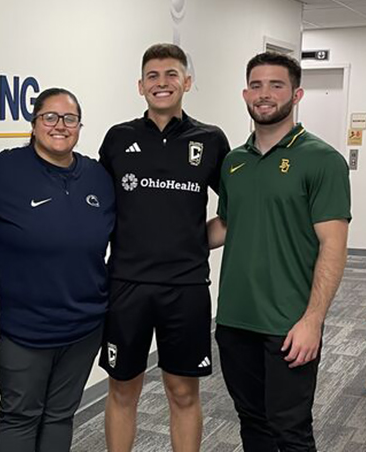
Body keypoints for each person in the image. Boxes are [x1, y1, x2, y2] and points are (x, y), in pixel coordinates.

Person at [208, 52, 351, 451]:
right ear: (245, 94)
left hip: (289, 325)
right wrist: (162, 241)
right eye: (256, 85)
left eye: (276, 85)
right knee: (252, 422)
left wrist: (313, 321)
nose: (264, 94)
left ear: (296, 94)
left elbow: (333, 247)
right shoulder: (234, 161)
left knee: (290, 431)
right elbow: (225, 225)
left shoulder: (322, 160)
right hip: (235, 321)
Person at [98, 43, 230, 452]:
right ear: (140, 86)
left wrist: (196, 242)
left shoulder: (209, 140)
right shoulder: (118, 139)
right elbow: (98, 210)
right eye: (152, 76)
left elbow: (233, 212)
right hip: (127, 285)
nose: (162, 83)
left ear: (187, 82)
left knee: (183, 392)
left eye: (171, 74)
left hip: (186, 288)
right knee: (123, 390)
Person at [0, 88, 116, 452]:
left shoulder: (98, 177)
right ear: (34, 123)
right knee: (20, 415)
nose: (60, 126)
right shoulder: (1, 170)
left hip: (84, 326)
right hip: (20, 328)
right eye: (50, 117)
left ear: (79, 125)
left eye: (69, 119)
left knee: (61, 414)